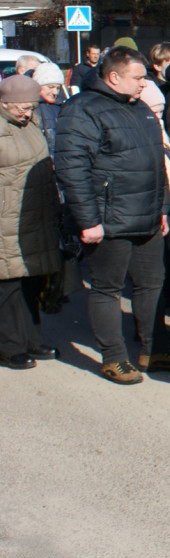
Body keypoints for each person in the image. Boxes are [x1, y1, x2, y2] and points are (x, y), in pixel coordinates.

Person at [54, 45, 170, 384]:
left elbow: (156, 165)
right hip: (108, 220)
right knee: (107, 289)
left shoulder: (140, 109)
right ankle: (114, 358)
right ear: (114, 77)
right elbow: (73, 169)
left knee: (151, 285)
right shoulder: (82, 110)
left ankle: (153, 349)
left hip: (146, 217)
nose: (144, 84)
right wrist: (89, 221)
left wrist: (162, 208)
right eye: (137, 78)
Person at [0, 75, 62, 369]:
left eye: (31, 107)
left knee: (31, 281)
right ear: (5, 102)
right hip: (5, 220)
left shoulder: (31, 123)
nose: (27, 113)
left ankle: (32, 340)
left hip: (34, 216)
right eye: (22, 108)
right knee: (7, 287)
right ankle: (9, 347)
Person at [31, 62, 66, 157]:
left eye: (58, 88)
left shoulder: (64, 106)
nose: (55, 92)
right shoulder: (30, 108)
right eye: (50, 87)